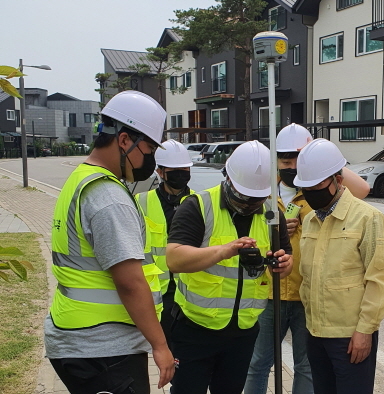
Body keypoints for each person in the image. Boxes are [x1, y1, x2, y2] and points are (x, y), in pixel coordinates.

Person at [47, 91, 175, 394]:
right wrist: (160, 346)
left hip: (79, 337)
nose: (151, 158)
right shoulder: (108, 196)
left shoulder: (82, 178)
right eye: (149, 147)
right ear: (124, 140)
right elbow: (130, 282)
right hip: (101, 348)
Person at [244, 124, 371, 394]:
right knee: (258, 362)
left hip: (306, 296)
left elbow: (363, 189)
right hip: (269, 293)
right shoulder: (265, 194)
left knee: (306, 366)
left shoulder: (317, 191)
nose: (291, 166)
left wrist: (316, 151)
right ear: (275, 160)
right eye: (285, 160)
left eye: (298, 159)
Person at [166, 140, 294, 394]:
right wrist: (224, 251)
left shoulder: (271, 214)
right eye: (245, 197)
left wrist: (284, 264)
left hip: (243, 333)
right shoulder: (197, 206)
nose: (250, 204)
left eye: (258, 198)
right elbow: (175, 258)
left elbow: (285, 257)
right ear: (228, 178)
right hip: (195, 329)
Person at [294, 138, 384, 394]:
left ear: (338, 179)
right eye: (306, 187)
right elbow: (308, 277)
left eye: (316, 185)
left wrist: (365, 331)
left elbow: (378, 281)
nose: (310, 192)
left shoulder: (367, 218)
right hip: (315, 333)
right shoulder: (311, 221)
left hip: (350, 338)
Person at [135, 139, 194, 342]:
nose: (181, 174)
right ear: (160, 172)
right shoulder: (141, 202)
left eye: (185, 169)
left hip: (190, 292)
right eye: (174, 170)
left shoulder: (200, 203)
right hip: (156, 294)